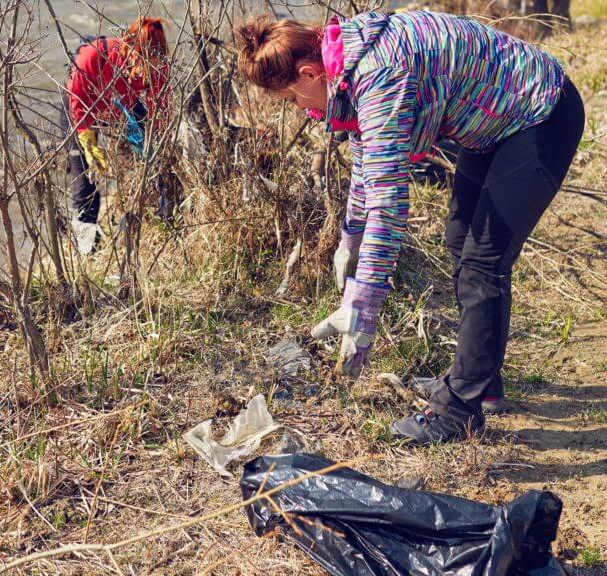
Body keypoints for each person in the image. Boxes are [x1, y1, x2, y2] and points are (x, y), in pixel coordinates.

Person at [236, 11, 584, 444]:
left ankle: (459, 411)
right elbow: (369, 160)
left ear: (309, 72)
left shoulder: (379, 75)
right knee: (461, 242)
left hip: (540, 115)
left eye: (292, 99)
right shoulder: (349, 60)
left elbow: (389, 200)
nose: (302, 109)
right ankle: (480, 380)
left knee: (483, 262)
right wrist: (351, 238)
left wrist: (363, 304)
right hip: (492, 123)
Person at [63, 17, 169, 254]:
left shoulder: (159, 65)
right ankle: (87, 247)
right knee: (85, 178)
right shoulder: (92, 56)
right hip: (83, 107)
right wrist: (89, 144)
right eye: (144, 60)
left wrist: (153, 139)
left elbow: (160, 106)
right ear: (130, 48)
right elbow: (77, 104)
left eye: (155, 61)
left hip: (123, 105)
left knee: (156, 158)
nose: (149, 68)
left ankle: (163, 220)